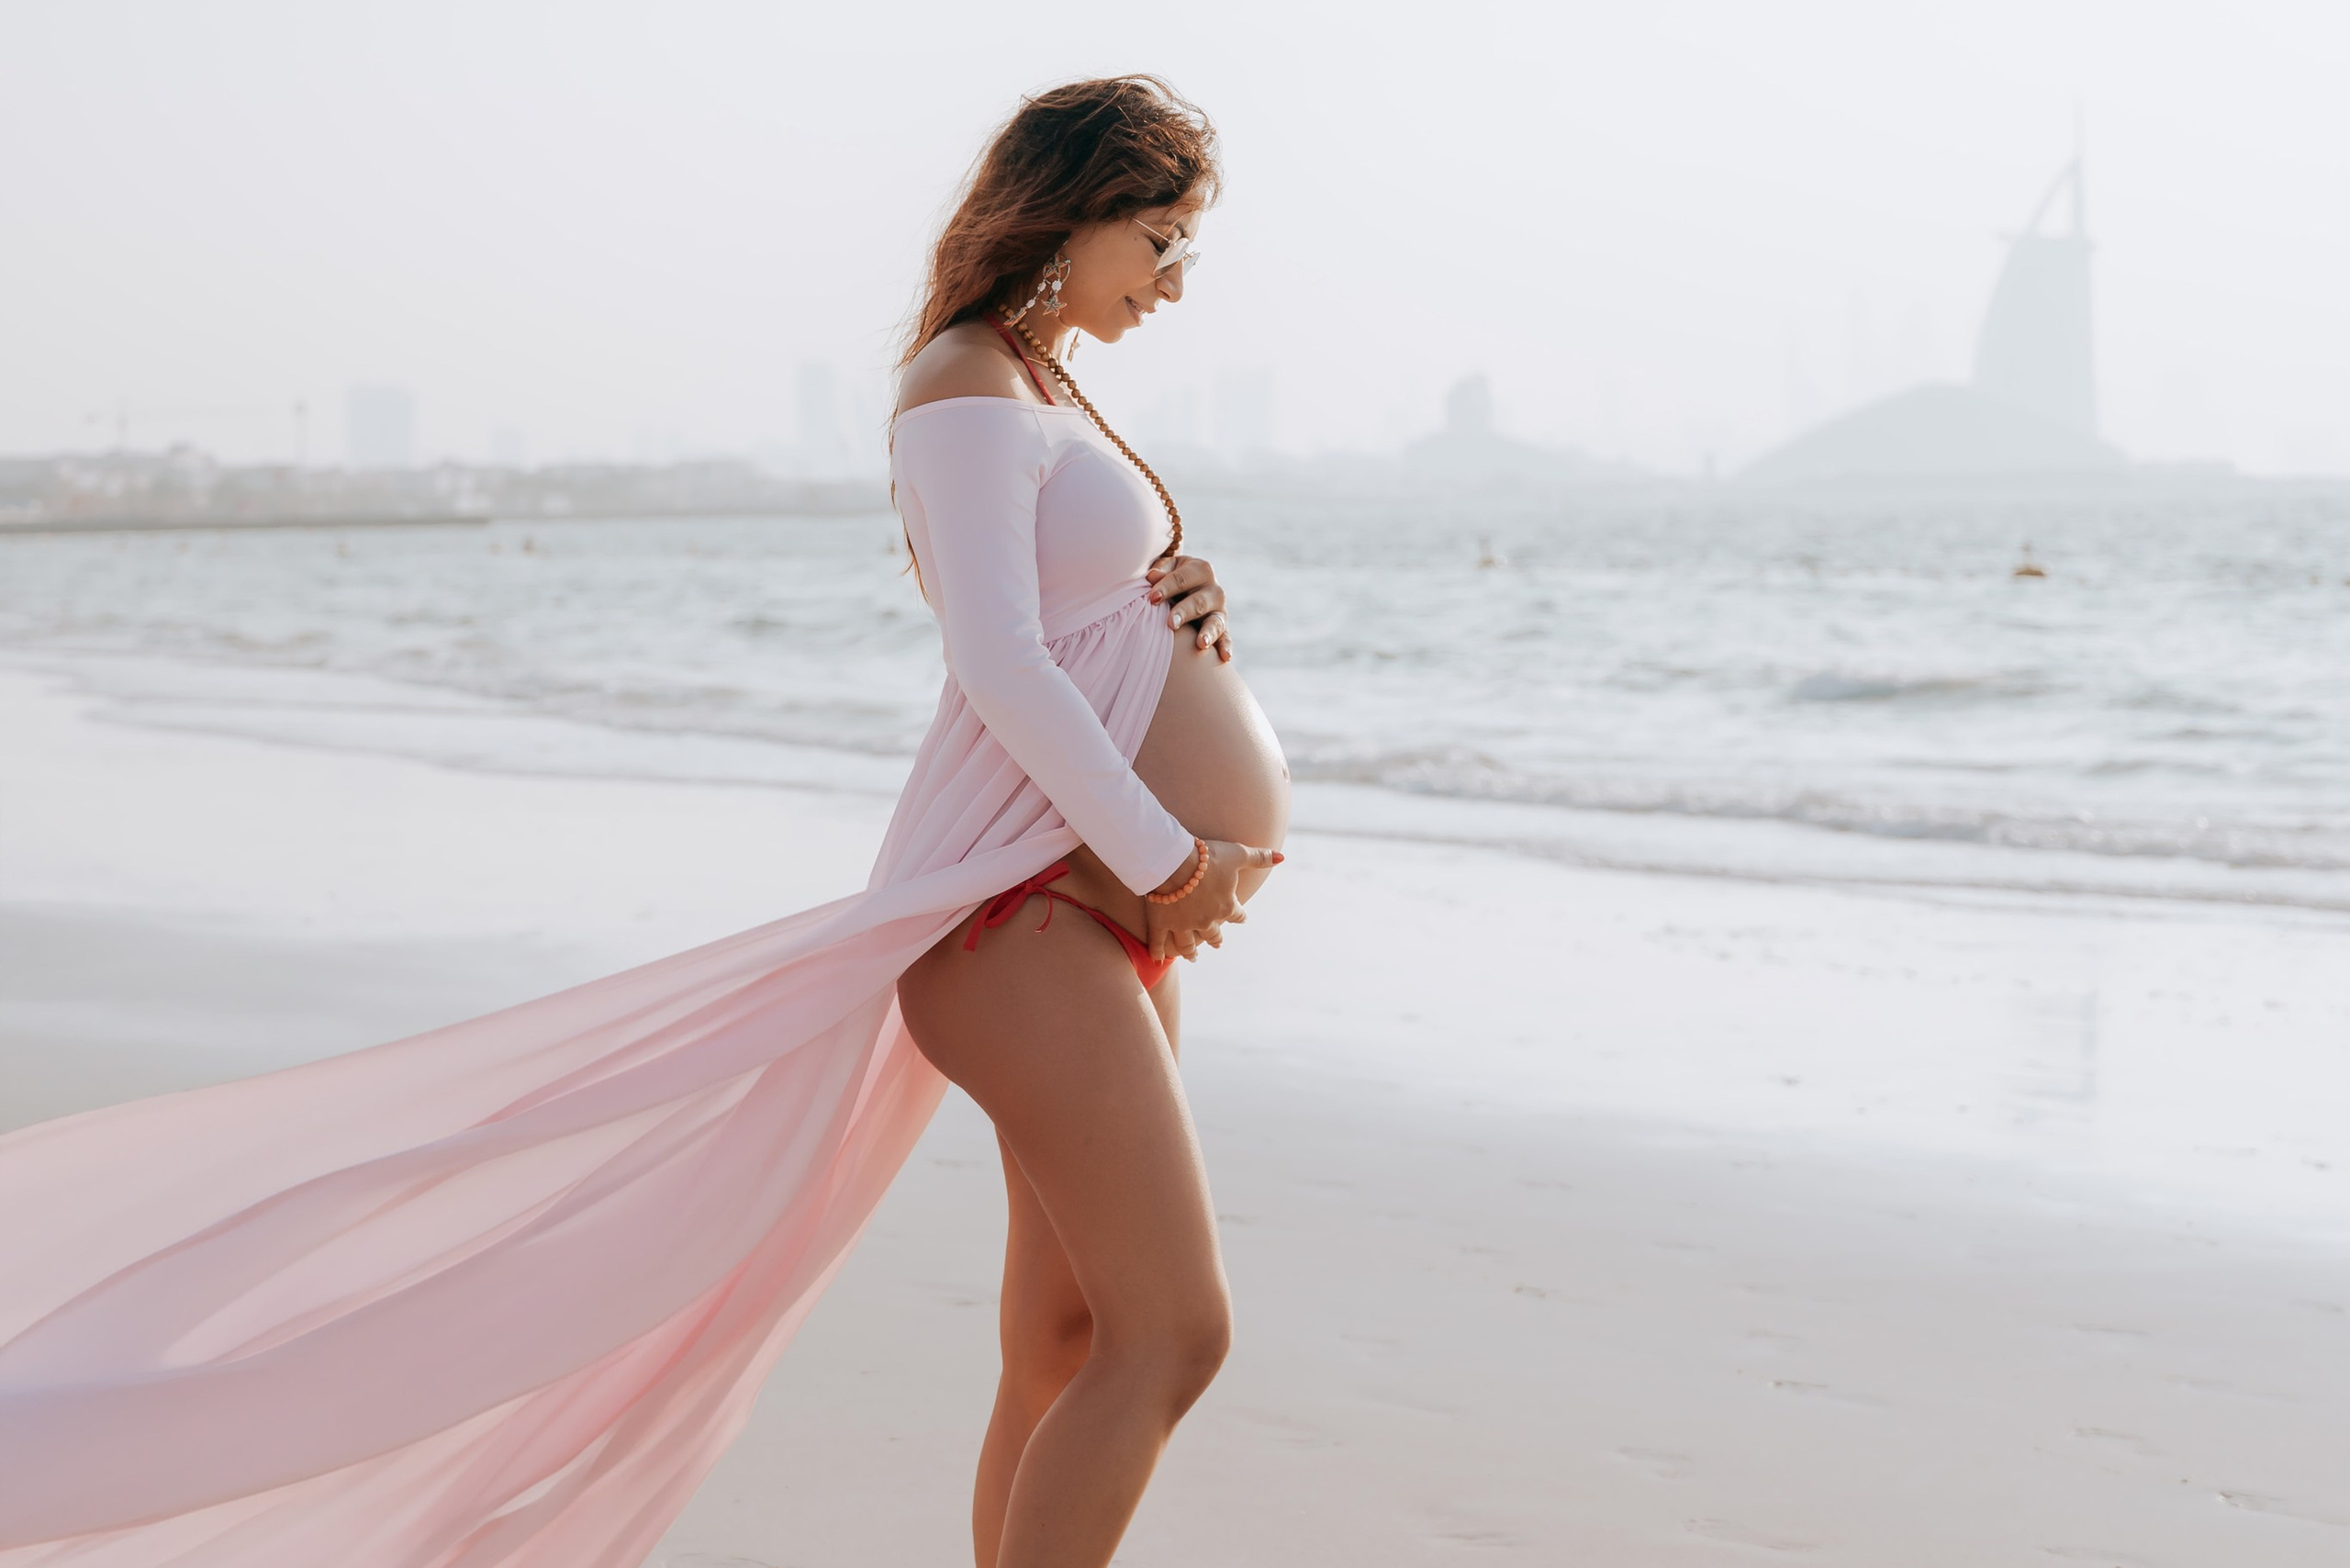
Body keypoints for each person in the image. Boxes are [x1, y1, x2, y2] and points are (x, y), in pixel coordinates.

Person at [0, 74, 1283, 1568]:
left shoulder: (1039, 386)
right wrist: (1170, 857)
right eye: (1162, 239)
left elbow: (1062, 619)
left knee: (1065, 1339)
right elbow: (994, 662)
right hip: (1031, 911)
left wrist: (1182, 601)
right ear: (1071, 209)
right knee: (1175, 1335)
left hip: (1090, 911)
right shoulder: (967, 386)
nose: (1178, 284)